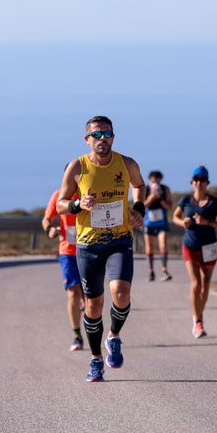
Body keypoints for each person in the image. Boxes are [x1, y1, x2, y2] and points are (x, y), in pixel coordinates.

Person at [56, 115, 146, 382]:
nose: (102, 139)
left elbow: (139, 186)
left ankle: (114, 336)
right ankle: (95, 359)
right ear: (87, 139)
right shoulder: (77, 167)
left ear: (114, 137)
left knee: (121, 291)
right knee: (93, 307)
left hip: (119, 239)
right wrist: (77, 205)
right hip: (88, 245)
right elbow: (61, 203)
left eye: (107, 134)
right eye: (96, 135)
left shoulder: (126, 163)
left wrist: (138, 208)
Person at [172, 165, 217, 339]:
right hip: (190, 246)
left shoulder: (214, 203)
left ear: (207, 183)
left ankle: (199, 317)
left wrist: (208, 222)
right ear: (191, 183)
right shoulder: (185, 201)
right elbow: (174, 217)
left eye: (202, 180)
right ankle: (197, 321)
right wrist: (183, 223)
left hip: (210, 248)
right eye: (196, 180)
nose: (199, 183)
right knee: (196, 283)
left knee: (205, 285)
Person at [43, 183, 84, 352]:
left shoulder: (89, 194)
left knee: (90, 297)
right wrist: (50, 230)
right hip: (67, 251)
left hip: (90, 249)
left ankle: (92, 330)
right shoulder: (59, 195)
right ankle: (77, 336)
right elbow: (46, 219)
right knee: (73, 292)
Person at [142, 170, 173, 281]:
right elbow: (142, 205)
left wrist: (160, 198)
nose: (156, 183)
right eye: (153, 181)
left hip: (162, 223)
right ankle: (151, 271)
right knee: (150, 248)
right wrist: (151, 197)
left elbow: (169, 207)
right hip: (148, 223)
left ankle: (164, 269)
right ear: (149, 180)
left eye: (158, 181)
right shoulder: (144, 189)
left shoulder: (165, 189)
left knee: (163, 245)